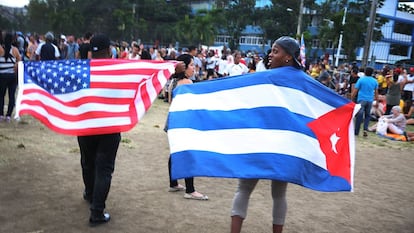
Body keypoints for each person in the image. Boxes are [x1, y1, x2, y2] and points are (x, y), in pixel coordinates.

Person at [230, 36, 305, 233]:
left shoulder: (262, 78)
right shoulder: (301, 81)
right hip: (279, 145)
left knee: (245, 189)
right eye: (271, 51)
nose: (270, 55)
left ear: (288, 57)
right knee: (277, 194)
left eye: (275, 51)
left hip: (263, 143)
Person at [77, 34, 121, 226]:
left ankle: (89, 192)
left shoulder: (80, 69)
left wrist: (22, 69)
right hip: (109, 126)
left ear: (90, 51)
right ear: (109, 50)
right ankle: (96, 212)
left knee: (88, 162)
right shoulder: (118, 70)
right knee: (104, 168)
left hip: (86, 125)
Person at [166, 54, 208, 200]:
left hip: (173, 120)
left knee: (175, 152)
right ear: (183, 67)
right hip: (184, 122)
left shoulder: (173, 81)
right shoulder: (187, 83)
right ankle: (190, 190)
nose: (194, 68)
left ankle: (173, 183)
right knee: (188, 154)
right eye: (191, 65)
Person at [0, 32, 22, 122]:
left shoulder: (0, 49)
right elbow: (19, 61)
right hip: (12, 76)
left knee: (1, 96)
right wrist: (15, 65)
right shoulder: (15, 50)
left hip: (2, 75)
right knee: (11, 96)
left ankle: (1, 115)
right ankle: (8, 115)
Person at [351, 66, 378, 137]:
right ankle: (365, 129)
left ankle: (356, 131)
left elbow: (355, 90)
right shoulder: (375, 81)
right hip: (370, 100)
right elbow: (376, 92)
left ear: (365, 72)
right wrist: (377, 101)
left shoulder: (361, 80)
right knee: (367, 115)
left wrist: (351, 98)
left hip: (361, 99)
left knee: (359, 115)